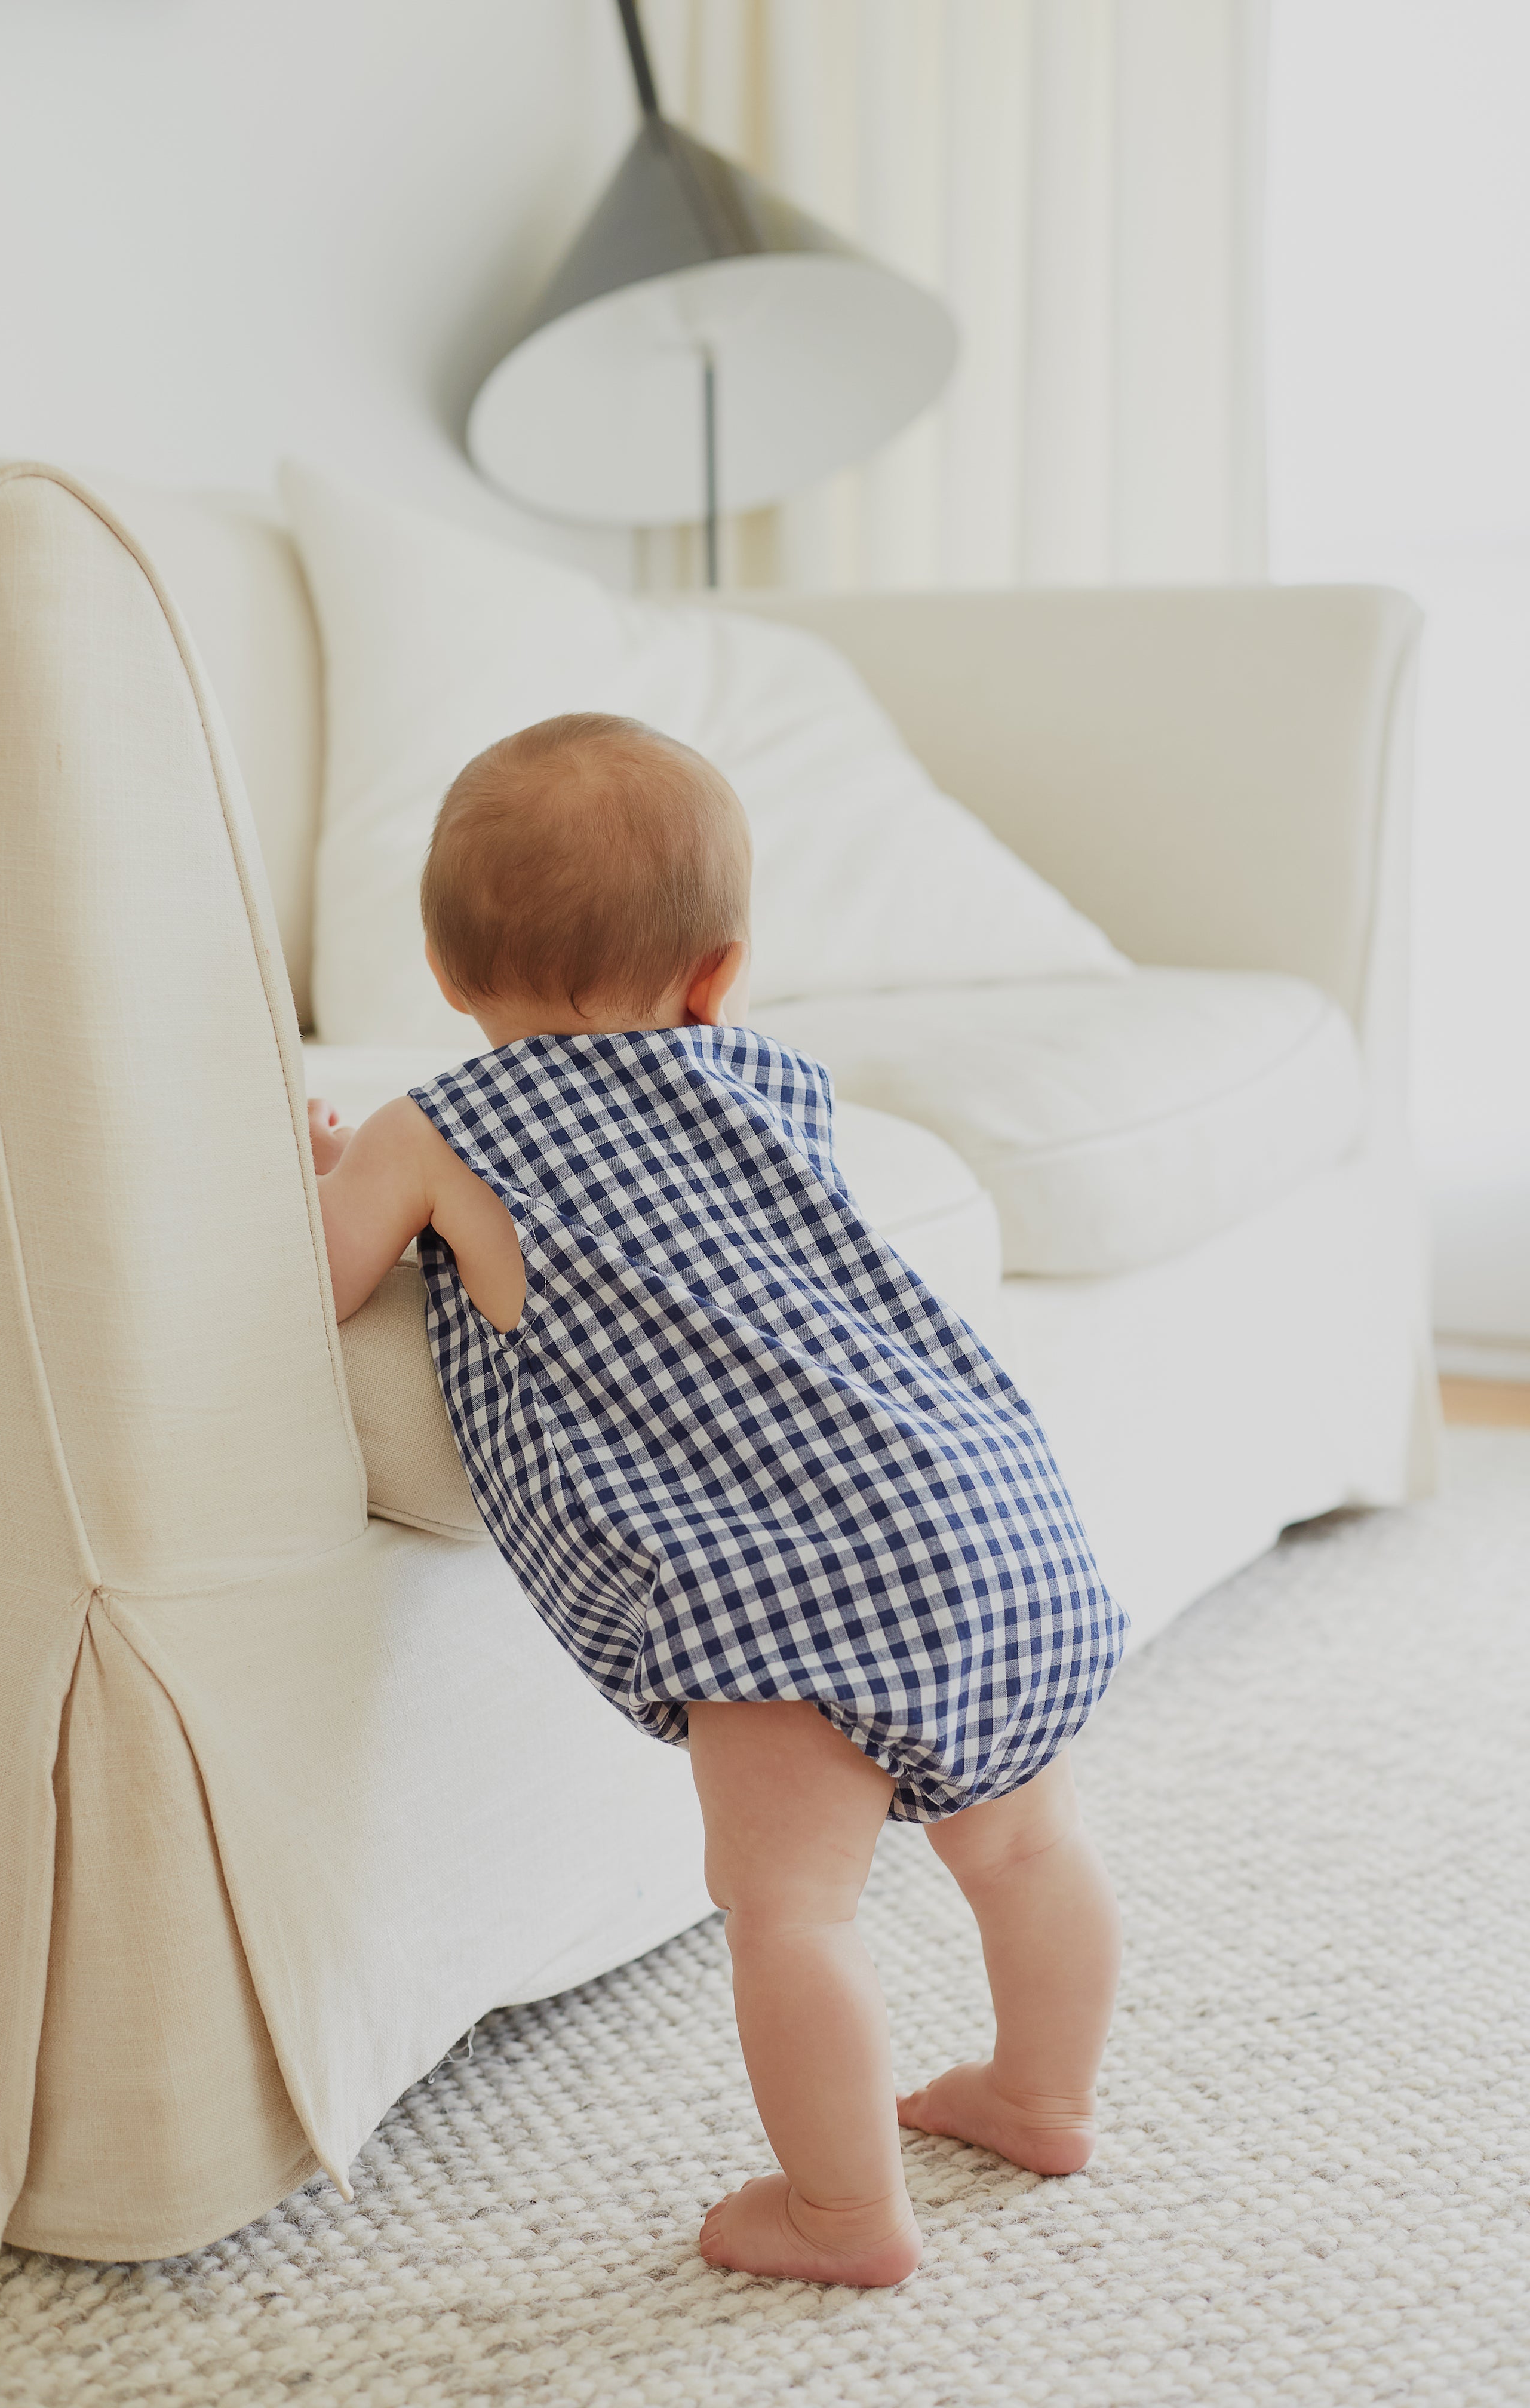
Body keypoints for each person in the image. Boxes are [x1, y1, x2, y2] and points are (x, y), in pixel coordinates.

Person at [307, 712, 1126, 2287]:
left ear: (439, 961)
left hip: (772, 1589)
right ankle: (1043, 2097)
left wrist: (333, 1173)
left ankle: (840, 2213)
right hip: (985, 1508)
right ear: (719, 976)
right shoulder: (780, 1086)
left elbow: (316, 1284)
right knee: (1026, 1852)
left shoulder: (436, 1128)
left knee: (793, 1915)